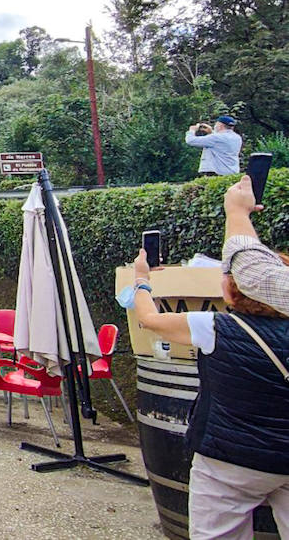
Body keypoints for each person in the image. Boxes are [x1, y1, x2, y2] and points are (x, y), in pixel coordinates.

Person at [124, 175, 289, 539]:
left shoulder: (216, 327)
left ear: (231, 290)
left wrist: (141, 280)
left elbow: (150, 319)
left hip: (228, 458)